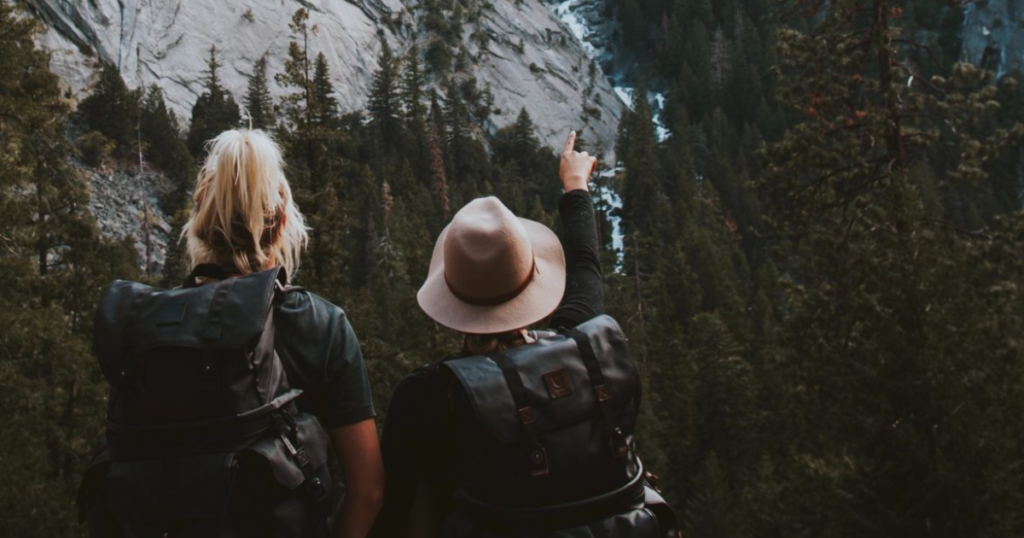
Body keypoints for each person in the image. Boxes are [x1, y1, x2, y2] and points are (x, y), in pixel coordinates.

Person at [81, 129, 384, 538]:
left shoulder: (150, 329)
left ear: (200, 221)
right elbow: (368, 490)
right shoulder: (319, 323)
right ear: (280, 222)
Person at [371, 131, 675, 537]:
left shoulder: (427, 397)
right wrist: (575, 184)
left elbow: (392, 511)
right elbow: (586, 267)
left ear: (451, 301)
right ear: (531, 281)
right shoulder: (580, 350)